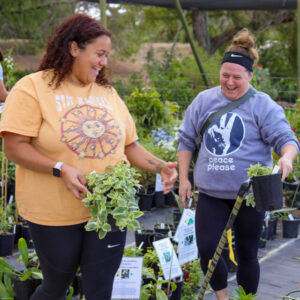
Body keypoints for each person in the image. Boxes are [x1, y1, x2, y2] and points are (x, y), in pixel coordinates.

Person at [0, 14, 177, 300]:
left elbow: (129, 146)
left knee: (100, 289)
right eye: (99, 54)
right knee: (56, 286)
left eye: (106, 56)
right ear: (73, 48)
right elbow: (14, 146)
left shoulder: (106, 92)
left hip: (109, 209)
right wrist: (60, 169)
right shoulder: (32, 87)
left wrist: (161, 166)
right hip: (54, 212)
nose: (104, 62)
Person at [178, 28, 299, 300]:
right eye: (225, 75)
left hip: (250, 195)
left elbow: (286, 139)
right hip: (211, 193)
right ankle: (222, 297)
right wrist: (184, 179)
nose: (229, 82)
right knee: (208, 248)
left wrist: (287, 159)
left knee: (247, 252)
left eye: (237, 77)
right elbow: (186, 140)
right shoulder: (204, 101)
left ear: (250, 76)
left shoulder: (263, 105)